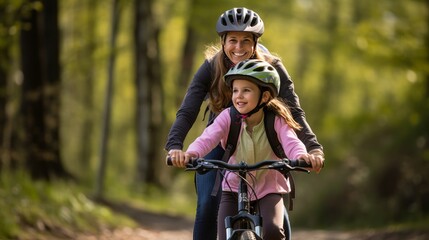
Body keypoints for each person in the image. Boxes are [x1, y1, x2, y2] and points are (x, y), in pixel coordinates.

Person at [165, 7, 325, 240]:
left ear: (255, 43)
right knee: (208, 207)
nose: (238, 48)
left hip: (264, 136)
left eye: (245, 41)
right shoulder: (212, 66)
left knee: (275, 211)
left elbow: (294, 112)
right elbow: (187, 110)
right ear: (222, 42)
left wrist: (313, 149)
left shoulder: (272, 67)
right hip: (223, 137)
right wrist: (176, 147)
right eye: (232, 41)